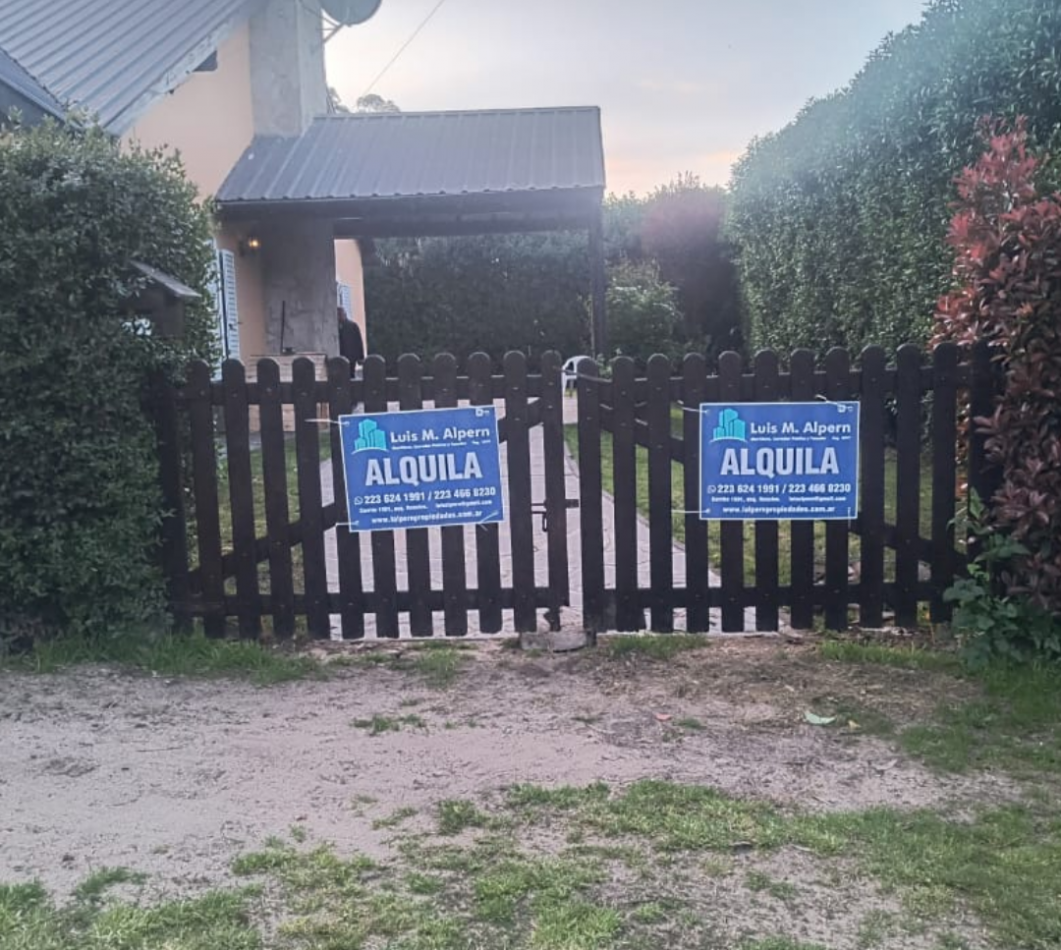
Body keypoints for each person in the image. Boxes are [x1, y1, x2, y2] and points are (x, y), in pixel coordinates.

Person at [337, 306, 364, 372]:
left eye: (340, 314)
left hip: (351, 357)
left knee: (350, 375)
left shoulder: (353, 326)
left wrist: (361, 357)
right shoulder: (336, 327)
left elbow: (359, 342)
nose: (339, 317)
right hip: (340, 356)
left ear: (345, 314)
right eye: (338, 315)